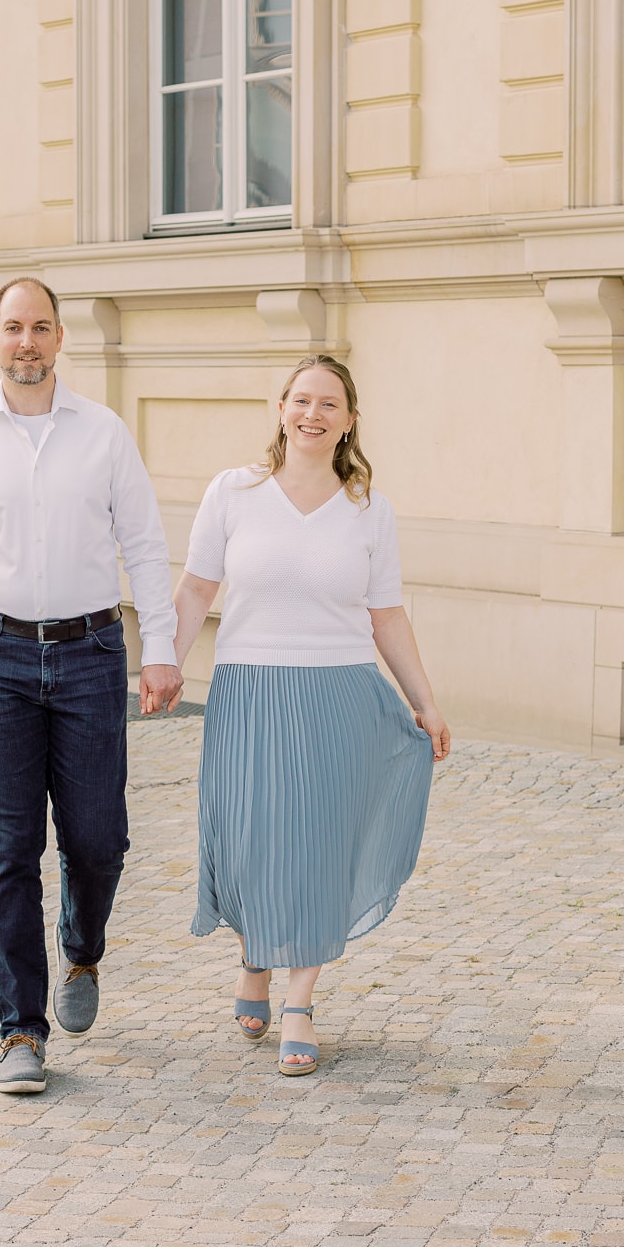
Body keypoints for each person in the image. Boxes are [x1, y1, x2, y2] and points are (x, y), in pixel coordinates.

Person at [0, 277, 184, 1096]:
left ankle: (81, 947)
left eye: (41, 327)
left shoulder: (105, 435)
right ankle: (20, 1026)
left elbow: (147, 546)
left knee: (98, 838)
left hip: (90, 654)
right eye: (13, 327)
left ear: (60, 339)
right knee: (7, 848)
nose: (27, 341)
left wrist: (159, 647)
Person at [171, 353, 449, 1076]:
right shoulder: (234, 492)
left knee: (320, 843)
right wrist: (161, 661)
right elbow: (198, 588)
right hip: (248, 692)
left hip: (339, 694)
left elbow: (386, 614)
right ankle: (254, 957)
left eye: (330, 403)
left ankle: (300, 1001)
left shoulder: (368, 509)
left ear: (349, 420)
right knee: (249, 839)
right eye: (302, 399)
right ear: (282, 408)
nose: (313, 413)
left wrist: (424, 701)